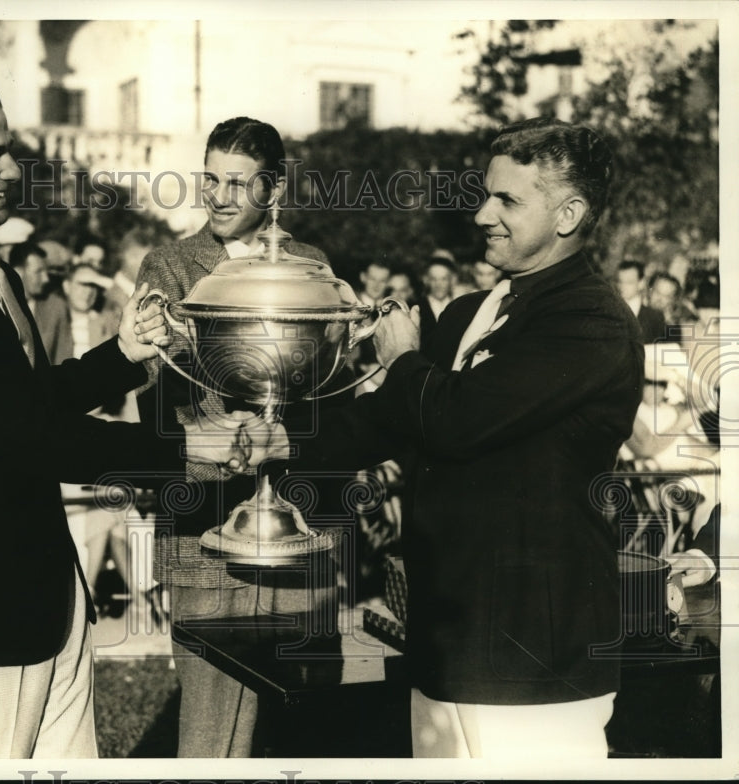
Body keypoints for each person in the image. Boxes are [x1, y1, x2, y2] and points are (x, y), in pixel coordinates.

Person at [0, 67, 241, 760]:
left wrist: (122, 355)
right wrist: (188, 450)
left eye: (7, 149)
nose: (12, 170)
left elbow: (28, 400)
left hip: (49, 598)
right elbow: (35, 437)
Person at [245, 117, 643, 759]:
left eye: (508, 199)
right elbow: (382, 422)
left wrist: (403, 361)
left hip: (533, 657)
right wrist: (278, 439)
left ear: (568, 214)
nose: (483, 213)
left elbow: (457, 419)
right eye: (486, 193)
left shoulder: (591, 320)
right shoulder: (469, 311)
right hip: (446, 636)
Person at [134, 116, 346, 758]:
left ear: (272, 190)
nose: (218, 197)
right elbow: (156, 403)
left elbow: (333, 396)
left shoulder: (312, 266)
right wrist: (222, 445)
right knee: (213, 735)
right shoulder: (170, 267)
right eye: (210, 180)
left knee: (301, 730)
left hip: (299, 530)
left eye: (236, 183)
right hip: (208, 533)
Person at [616, 260, 666, 343]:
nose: (622, 286)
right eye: (620, 281)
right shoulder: (608, 311)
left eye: (629, 282)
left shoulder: (655, 317)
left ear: (641, 283)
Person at [416, 253, 457, 350]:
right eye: (434, 279)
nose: (439, 284)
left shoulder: (459, 306)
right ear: (426, 280)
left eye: (444, 279)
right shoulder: (416, 307)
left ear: (452, 280)